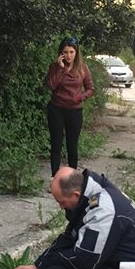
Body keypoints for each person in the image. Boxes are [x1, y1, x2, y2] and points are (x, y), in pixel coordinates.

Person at [44, 37, 94, 177]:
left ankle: (73, 178)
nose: (69, 55)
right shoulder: (55, 67)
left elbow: (90, 88)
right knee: (56, 144)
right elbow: (51, 85)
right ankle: (55, 177)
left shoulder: (83, 68)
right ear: (61, 53)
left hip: (75, 111)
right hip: (56, 109)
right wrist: (60, 69)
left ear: (76, 53)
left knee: (72, 146)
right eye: (65, 52)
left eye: (72, 52)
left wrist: (79, 97)